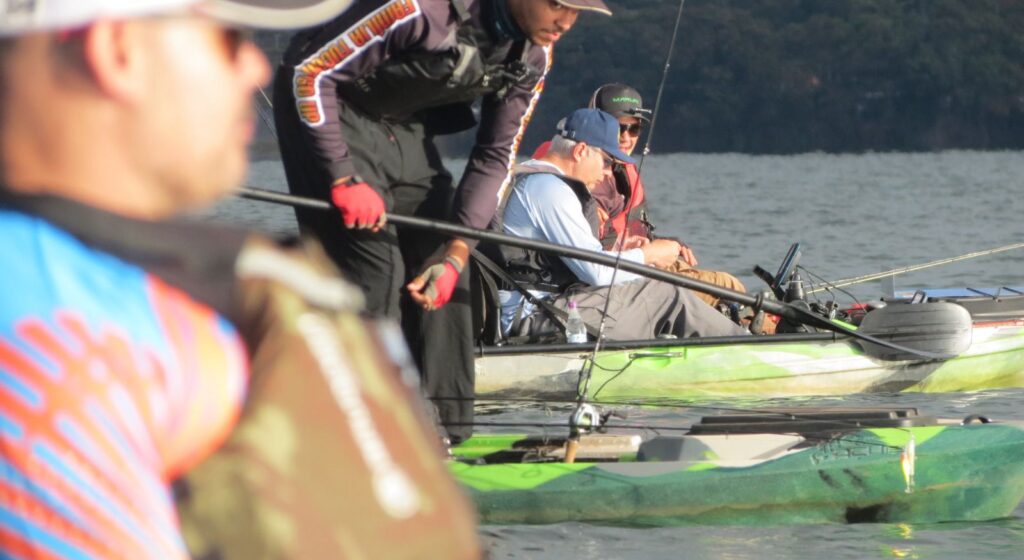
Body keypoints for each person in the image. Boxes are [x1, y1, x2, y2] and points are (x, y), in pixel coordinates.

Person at [0, 1, 479, 560]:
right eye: (227, 38)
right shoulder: (47, 333)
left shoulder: (247, 291)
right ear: (117, 50)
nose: (254, 67)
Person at [273, 0, 612, 442]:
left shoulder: (533, 56)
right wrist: (342, 177)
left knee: (447, 273)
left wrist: (456, 253)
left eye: (577, 11)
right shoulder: (419, 10)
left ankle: (446, 436)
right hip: (328, 112)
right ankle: (363, 435)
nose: (565, 22)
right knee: (376, 270)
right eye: (556, 4)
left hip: (403, 127)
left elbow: (495, 156)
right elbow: (309, 74)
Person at [495, 108, 749, 341]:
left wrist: (621, 251)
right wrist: (648, 254)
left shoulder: (533, 179)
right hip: (535, 317)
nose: (608, 172)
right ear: (581, 151)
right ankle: (747, 346)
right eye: (607, 161)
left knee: (648, 288)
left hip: (544, 307)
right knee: (668, 296)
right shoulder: (549, 189)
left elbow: (572, 259)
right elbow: (596, 273)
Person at [533, 83, 749, 310]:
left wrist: (665, 244)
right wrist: (644, 253)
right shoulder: (574, 177)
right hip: (615, 280)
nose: (626, 137)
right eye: (619, 128)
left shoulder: (621, 170)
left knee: (730, 289)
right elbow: (590, 259)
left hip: (638, 263)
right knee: (727, 287)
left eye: (634, 129)